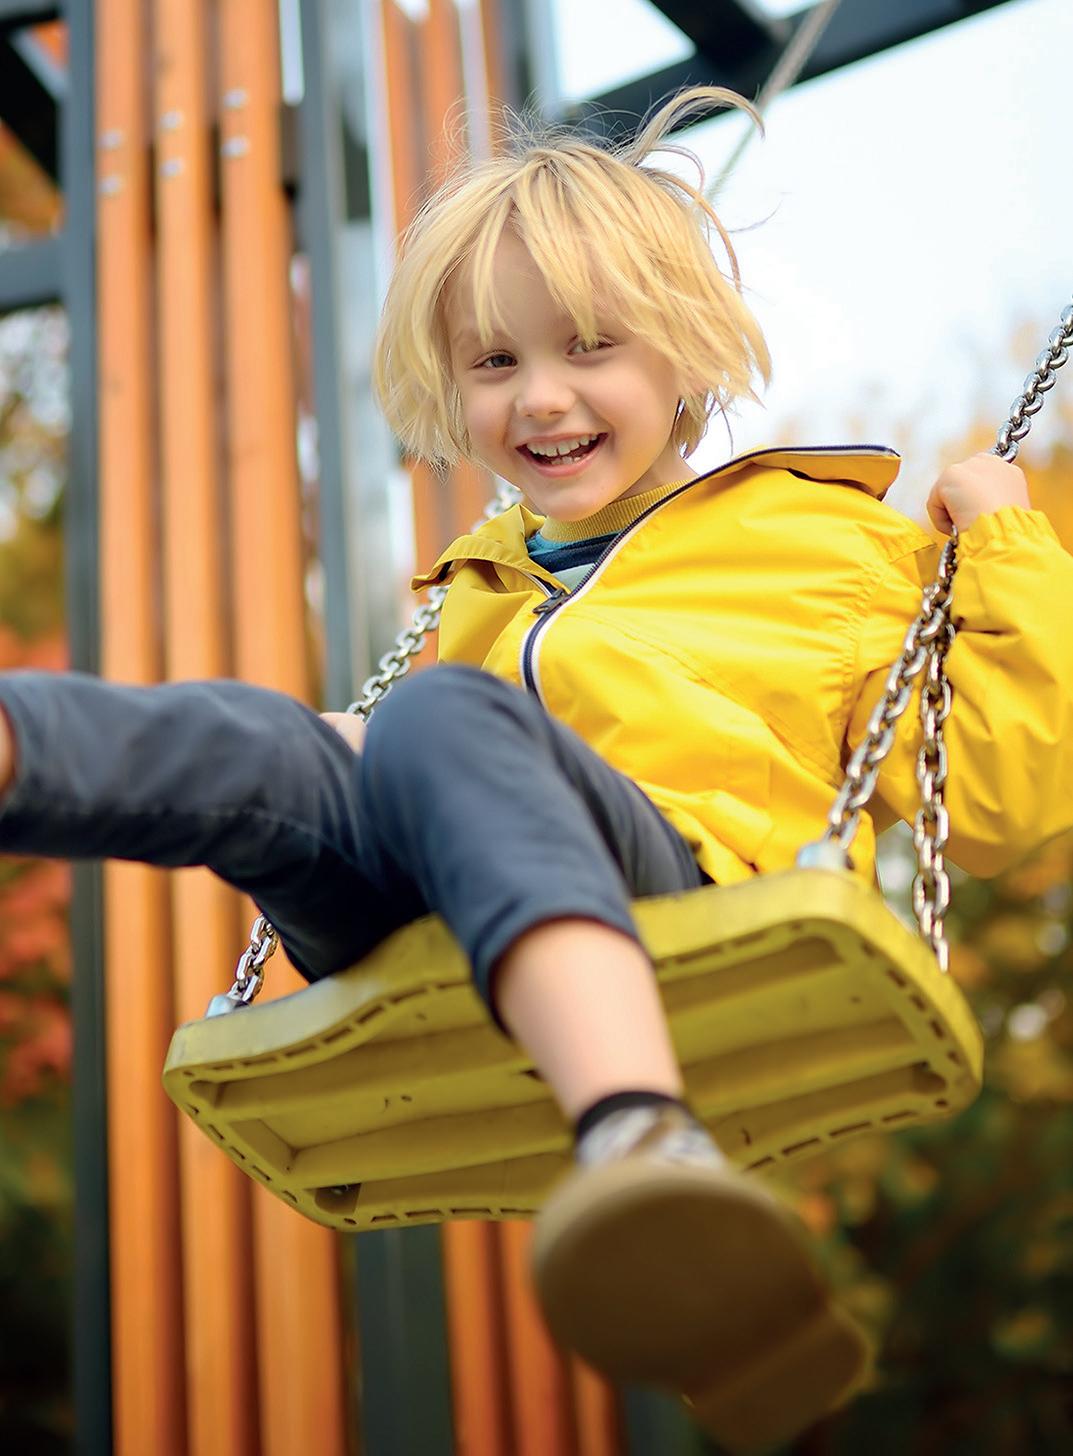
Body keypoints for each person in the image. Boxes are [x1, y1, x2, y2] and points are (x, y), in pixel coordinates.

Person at [1, 84, 1071, 1450]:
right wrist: (351, 759)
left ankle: (640, 1134)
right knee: (282, 742)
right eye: (494, 361)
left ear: (683, 349)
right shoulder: (476, 588)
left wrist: (1006, 546)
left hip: (688, 897)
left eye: (589, 347)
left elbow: (1002, 803)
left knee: (441, 720)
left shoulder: (823, 548)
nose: (541, 396)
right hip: (439, 920)